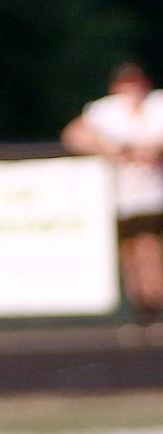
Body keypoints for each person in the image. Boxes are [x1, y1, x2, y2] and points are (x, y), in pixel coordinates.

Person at [62, 63, 163, 323]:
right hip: (121, 196)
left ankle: (154, 301)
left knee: (149, 247)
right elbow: (73, 135)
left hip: (153, 194)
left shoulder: (157, 106)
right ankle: (141, 304)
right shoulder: (106, 110)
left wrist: (152, 148)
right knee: (129, 251)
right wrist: (112, 148)